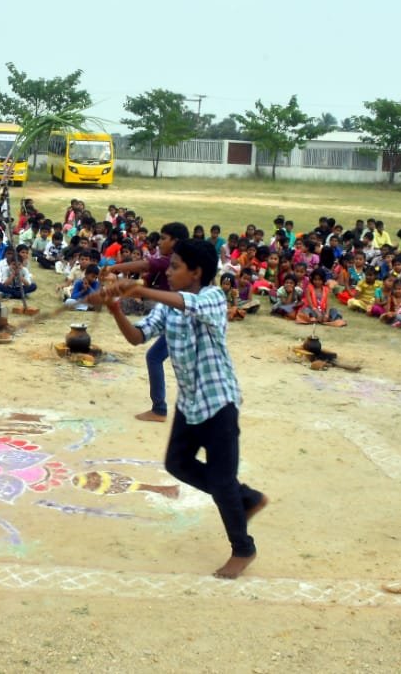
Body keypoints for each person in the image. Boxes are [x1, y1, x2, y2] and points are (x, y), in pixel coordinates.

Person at [96, 239, 268, 579]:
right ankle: (245, 498)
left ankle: (243, 548)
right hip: (190, 403)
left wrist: (139, 289)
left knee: (220, 479)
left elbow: (186, 303)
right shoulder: (168, 307)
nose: (169, 272)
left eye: (175, 267)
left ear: (196, 272)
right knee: (177, 463)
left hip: (219, 402)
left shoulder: (213, 298)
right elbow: (137, 337)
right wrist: (116, 307)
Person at [102, 222, 190, 423]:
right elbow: (144, 282)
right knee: (155, 356)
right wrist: (116, 289)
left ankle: (160, 409)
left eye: (163, 238)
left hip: (180, 318)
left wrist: (113, 267)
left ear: (175, 241)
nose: (159, 242)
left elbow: (144, 266)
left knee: (160, 358)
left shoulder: (168, 261)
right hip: (169, 315)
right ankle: (159, 408)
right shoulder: (166, 263)